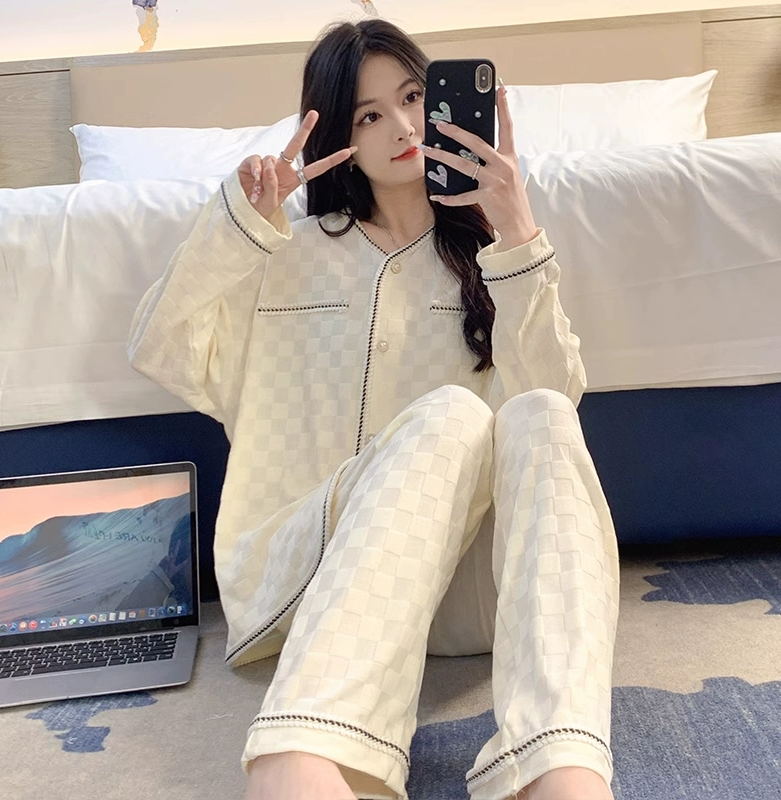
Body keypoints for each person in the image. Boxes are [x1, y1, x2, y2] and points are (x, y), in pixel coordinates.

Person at [127, 18, 620, 800]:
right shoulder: (283, 252)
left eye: (415, 97)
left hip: (463, 595)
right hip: (307, 575)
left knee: (545, 416)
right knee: (452, 413)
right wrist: (239, 228)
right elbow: (162, 350)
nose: (404, 126)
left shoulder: (493, 256)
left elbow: (553, 401)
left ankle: (559, 764)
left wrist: (519, 232)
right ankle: (300, 753)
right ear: (339, 137)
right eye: (368, 114)